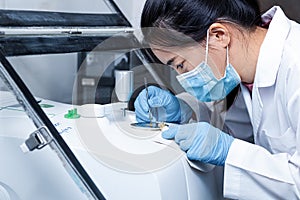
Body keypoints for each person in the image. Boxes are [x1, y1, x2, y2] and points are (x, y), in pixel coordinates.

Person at [134, 0, 300, 199]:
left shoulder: (295, 65)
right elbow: (239, 127)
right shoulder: (246, 72)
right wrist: (185, 109)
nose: (182, 77)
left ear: (218, 35)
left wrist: (228, 152)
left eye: (180, 65)